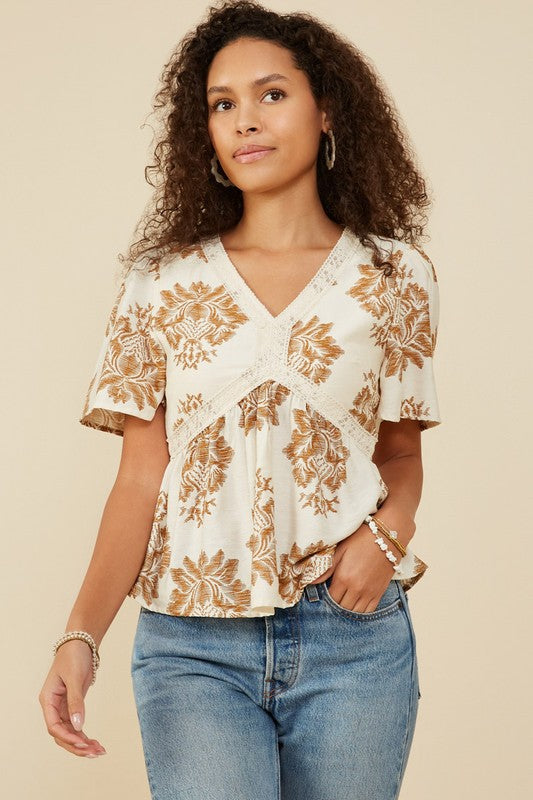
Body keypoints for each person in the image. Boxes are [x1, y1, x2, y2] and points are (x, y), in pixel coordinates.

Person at [38, 1, 442, 797]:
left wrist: (387, 536)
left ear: (327, 111)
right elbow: (139, 478)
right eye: (222, 104)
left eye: (271, 95)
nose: (244, 120)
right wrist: (80, 636)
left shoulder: (395, 276)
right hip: (191, 645)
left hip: (351, 637)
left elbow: (399, 453)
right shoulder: (159, 281)